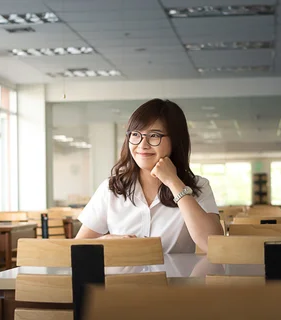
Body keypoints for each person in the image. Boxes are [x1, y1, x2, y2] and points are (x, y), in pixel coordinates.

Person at [75, 98, 223, 253]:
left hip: (173, 278)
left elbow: (212, 246)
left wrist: (173, 182)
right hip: (123, 277)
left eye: (154, 135)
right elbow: (77, 249)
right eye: (136, 134)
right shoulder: (112, 188)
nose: (142, 144)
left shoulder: (198, 186)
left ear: (175, 140)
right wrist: (104, 241)